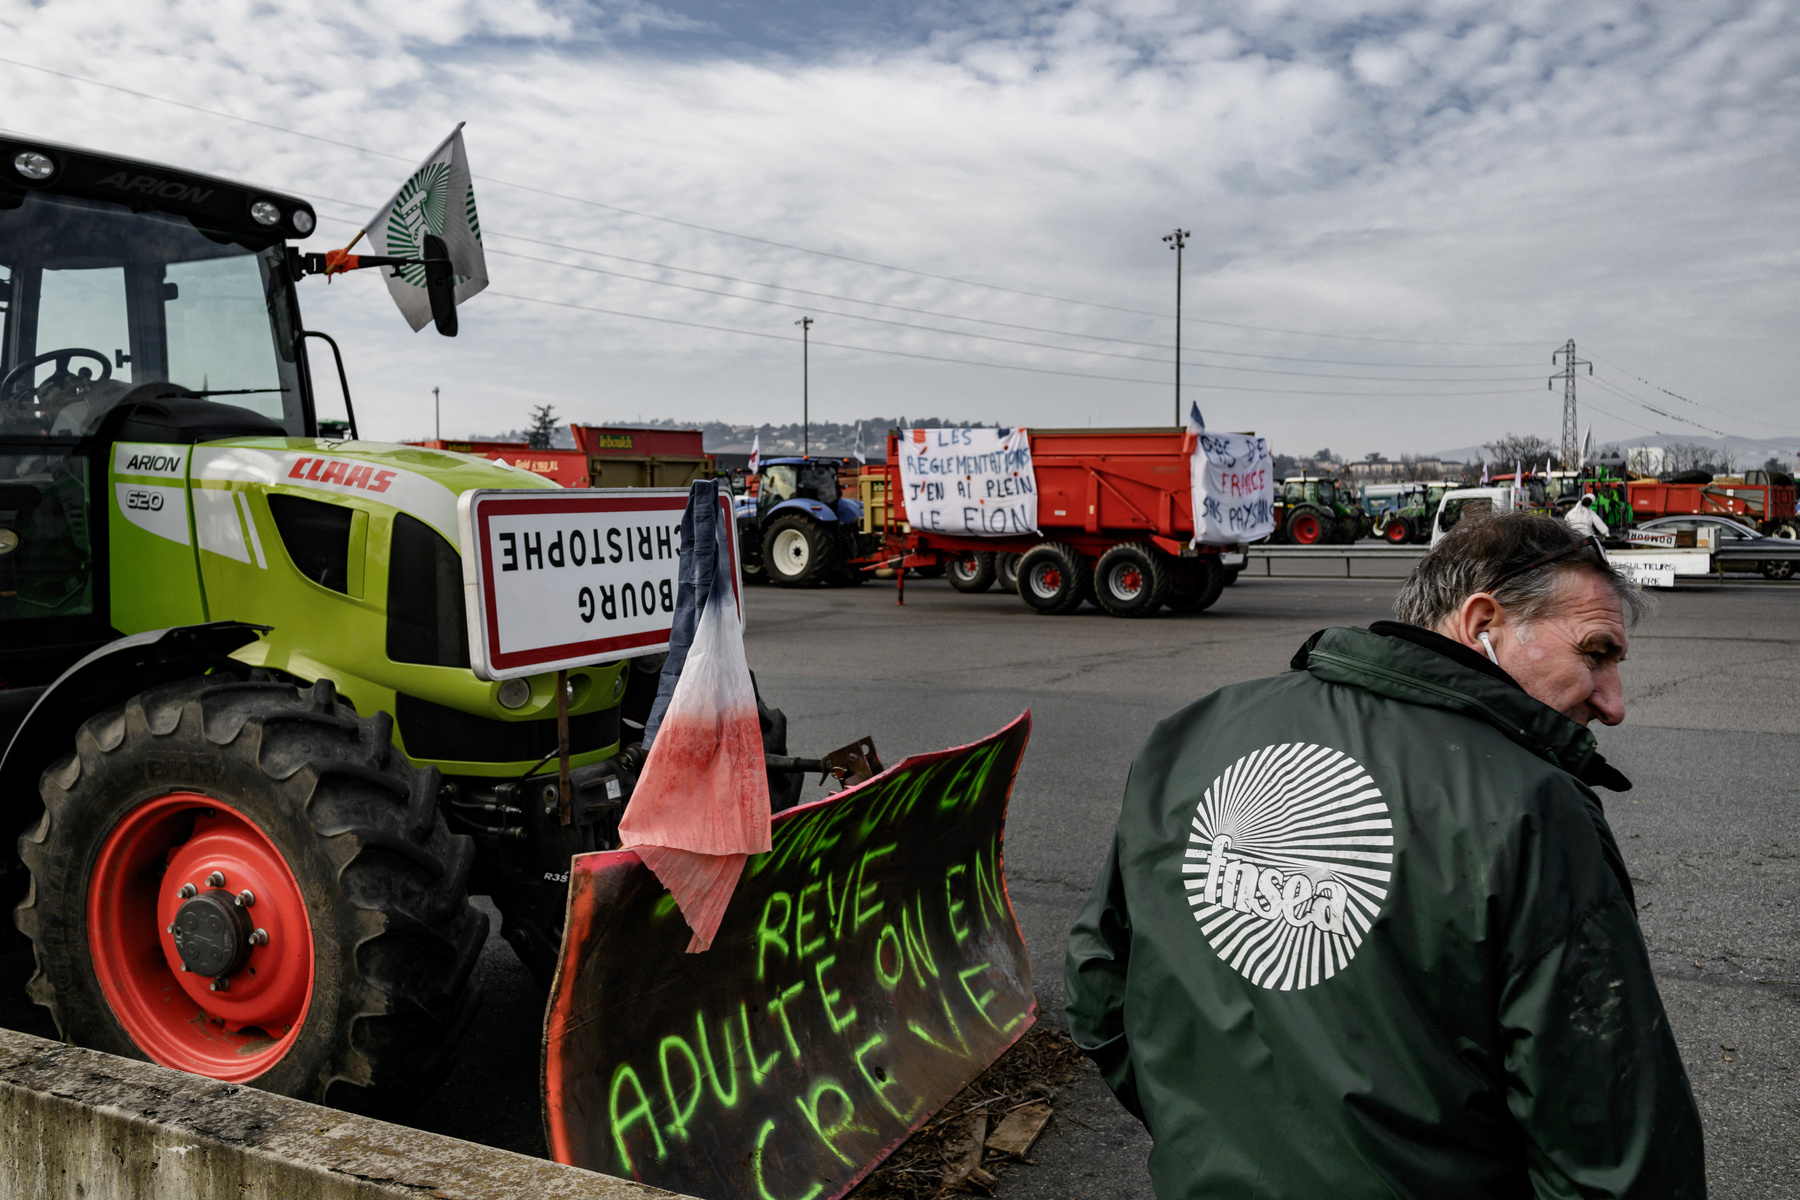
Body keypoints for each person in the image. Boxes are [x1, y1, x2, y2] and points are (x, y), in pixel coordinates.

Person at [1065, 512, 1705, 1199]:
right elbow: (1608, 1145)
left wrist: (1206, 1133)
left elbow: (1101, 987)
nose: (1613, 704)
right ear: (1484, 623)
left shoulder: (1194, 732)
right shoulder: (1532, 807)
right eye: (1596, 653)